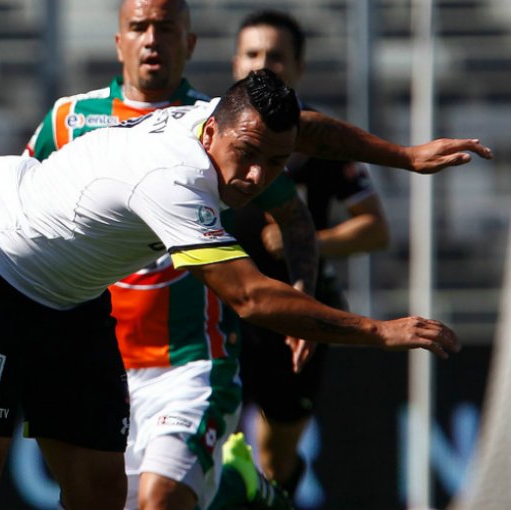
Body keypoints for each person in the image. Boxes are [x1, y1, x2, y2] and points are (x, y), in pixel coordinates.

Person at [0, 68, 488, 510]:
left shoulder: (212, 118)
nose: (255, 178)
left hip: (73, 302)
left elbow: (305, 127)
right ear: (213, 133)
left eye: (274, 163)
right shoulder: (173, 179)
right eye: (247, 157)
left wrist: (404, 156)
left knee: (99, 493)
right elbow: (250, 298)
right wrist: (378, 331)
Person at [27, 1, 317, 508]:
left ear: (190, 43)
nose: (151, 39)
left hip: (186, 360)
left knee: (159, 502)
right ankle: (237, 489)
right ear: (119, 41)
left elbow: (294, 217)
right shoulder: (68, 121)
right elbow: (23, 207)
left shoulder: (221, 126)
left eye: (166, 28)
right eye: (139, 27)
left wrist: (301, 292)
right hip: (94, 360)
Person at [229, 10, 390, 499]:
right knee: (200, 436)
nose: (262, 65)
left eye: (275, 56)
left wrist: (308, 240)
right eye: (252, 54)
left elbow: (375, 229)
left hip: (294, 315)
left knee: (276, 456)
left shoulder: (320, 139)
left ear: (298, 67)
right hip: (222, 309)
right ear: (235, 61)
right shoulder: (205, 130)